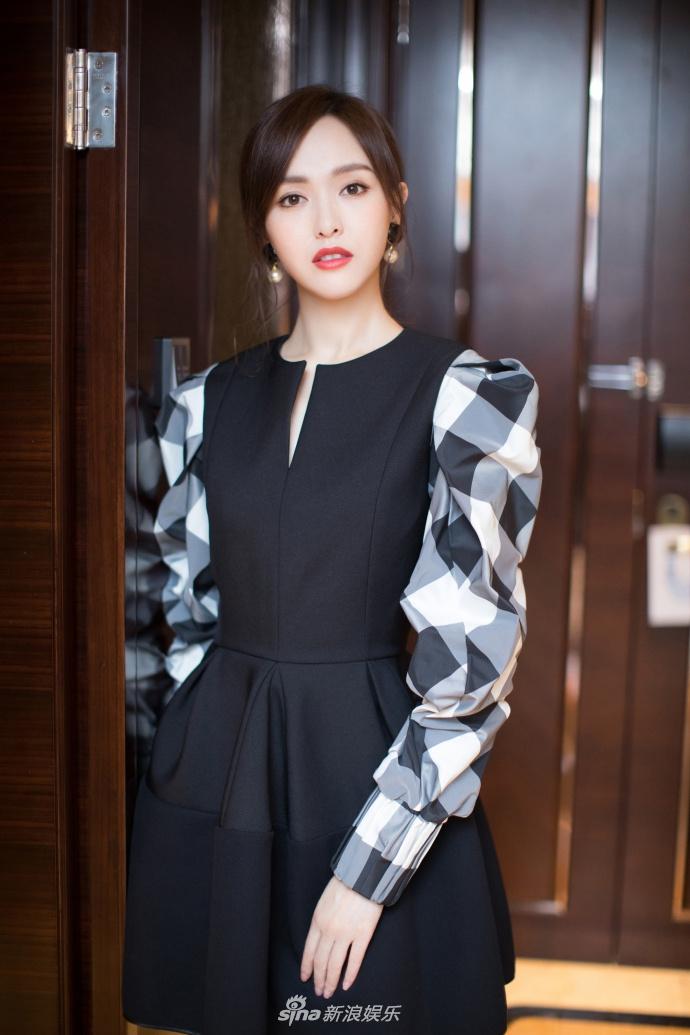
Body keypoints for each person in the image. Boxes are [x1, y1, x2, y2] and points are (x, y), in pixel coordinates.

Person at [121, 83, 543, 1035]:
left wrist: (368, 873)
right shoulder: (201, 404)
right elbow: (183, 615)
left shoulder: (468, 394)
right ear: (263, 229)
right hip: (217, 782)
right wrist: (186, 765)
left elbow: (473, 661)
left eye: (351, 187)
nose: (325, 220)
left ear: (395, 205)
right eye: (292, 195)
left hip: (370, 778)